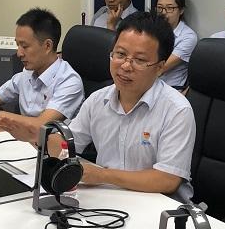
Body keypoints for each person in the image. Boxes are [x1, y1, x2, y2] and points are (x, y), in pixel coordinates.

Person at [45, 11, 196, 202]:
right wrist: (46, 139)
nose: (125, 66)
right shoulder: (98, 100)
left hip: (159, 206)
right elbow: (67, 143)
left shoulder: (177, 110)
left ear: (160, 67)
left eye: (140, 60)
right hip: (107, 199)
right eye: (120, 54)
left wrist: (101, 175)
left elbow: (167, 180)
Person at [0, 8, 84, 141]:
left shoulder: (69, 81)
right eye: (17, 45)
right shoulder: (26, 74)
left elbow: (40, 127)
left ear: (47, 46)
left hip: (51, 149)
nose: (19, 53)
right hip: (23, 144)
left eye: (24, 46)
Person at [155, 0, 198, 90]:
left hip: (169, 89)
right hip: (147, 83)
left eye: (170, 8)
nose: (163, 12)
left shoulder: (188, 37)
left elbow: (160, 69)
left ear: (181, 10)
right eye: (159, 8)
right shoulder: (152, 28)